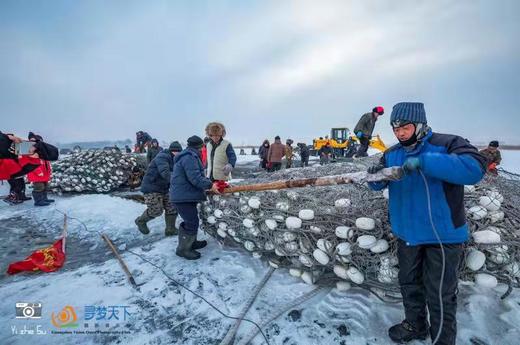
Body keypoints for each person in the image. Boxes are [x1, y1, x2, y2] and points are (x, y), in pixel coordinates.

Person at [367, 102, 486, 345]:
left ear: (419, 124)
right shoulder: (392, 153)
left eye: (405, 128)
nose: (400, 133)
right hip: (407, 233)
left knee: (440, 292)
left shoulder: (447, 144)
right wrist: (375, 177)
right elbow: (377, 183)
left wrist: (426, 161)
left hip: (442, 236)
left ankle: (443, 339)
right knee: (409, 284)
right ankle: (415, 325)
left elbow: (474, 169)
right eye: (395, 129)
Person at [170, 136, 220, 260]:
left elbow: (195, 176)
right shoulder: (189, 158)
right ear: (200, 146)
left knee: (192, 220)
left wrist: (207, 182)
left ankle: (191, 242)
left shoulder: (189, 156)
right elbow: (195, 178)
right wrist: (210, 185)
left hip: (185, 195)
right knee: (191, 222)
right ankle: (183, 249)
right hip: (182, 197)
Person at [135, 141, 183, 236]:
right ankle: (140, 221)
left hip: (164, 187)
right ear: (171, 151)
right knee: (156, 211)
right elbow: (165, 173)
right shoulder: (162, 157)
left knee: (172, 207)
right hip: (152, 187)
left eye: (179, 152)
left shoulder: (176, 159)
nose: (177, 154)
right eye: (176, 152)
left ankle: (170, 229)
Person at [27, 132, 54, 206]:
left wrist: (49, 170)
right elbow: (32, 163)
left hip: (44, 174)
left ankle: (44, 199)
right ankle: (38, 201)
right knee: (39, 187)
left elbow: (46, 163)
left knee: (45, 187)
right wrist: (38, 172)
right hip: (37, 175)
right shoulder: (32, 152)